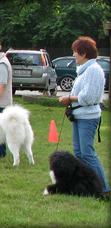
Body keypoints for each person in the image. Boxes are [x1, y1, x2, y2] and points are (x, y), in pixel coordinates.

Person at [59, 36, 109, 196]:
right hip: (79, 116)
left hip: (88, 117)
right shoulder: (85, 70)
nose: (74, 55)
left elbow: (89, 97)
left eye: (76, 52)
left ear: (84, 53)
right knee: (79, 153)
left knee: (87, 153)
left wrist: (69, 99)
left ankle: (105, 189)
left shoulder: (94, 70)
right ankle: (87, 185)